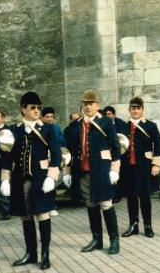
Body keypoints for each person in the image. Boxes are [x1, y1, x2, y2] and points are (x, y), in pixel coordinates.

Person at [0, 92, 62, 270]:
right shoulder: (15, 130)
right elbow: (7, 155)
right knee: (25, 216)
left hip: (41, 179)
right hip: (20, 180)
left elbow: (57, 154)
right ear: (23, 109)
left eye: (38, 108)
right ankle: (30, 253)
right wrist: (5, 179)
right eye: (32, 107)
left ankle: (45, 254)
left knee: (43, 214)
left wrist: (52, 176)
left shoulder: (48, 129)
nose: (36, 111)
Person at [64, 89, 121, 255]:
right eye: (85, 104)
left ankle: (114, 240)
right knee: (90, 204)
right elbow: (70, 151)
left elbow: (116, 147)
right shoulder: (76, 125)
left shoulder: (106, 123)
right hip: (83, 171)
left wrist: (114, 169)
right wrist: (67, 171)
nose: (88, 107)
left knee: (105, 204)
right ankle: (97, 239)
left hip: (102, 171)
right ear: (82, 105)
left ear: (97, 105)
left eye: (91, 104)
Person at [120, 97, 160, 237]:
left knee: (145, 197)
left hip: (144, 167)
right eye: (133, 108)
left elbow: (158, 145)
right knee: (131, 197)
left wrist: (156, 164)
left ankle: (148, 226)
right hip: (128, 167)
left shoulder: (150, 126)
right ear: (129, 110)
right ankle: (133, 225)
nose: (136, 111)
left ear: (142, 110)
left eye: (138, 108)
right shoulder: (124, 126)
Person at [41, 106, 65, 217]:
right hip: (43, 161)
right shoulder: (40, 128)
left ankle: (51, 205)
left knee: (54, 180)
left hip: (54, 160)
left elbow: (61, 142)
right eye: (47, 117)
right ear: (42, 117)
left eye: (51, 117)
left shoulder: (56, 128)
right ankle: (48, 206)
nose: (50, 119)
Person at [103, 105, 127, 203]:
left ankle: (118, 194)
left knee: (118, 173)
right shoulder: (103, 123)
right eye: (106, 114)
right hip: (108, 152)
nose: (108, 116)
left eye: (109, 114)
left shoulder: (120, 123)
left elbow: (124, 137)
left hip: (120, 151)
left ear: (114, 114)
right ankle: (112, 195)